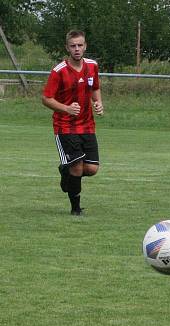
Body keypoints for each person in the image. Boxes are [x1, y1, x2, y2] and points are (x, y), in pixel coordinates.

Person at [42, 29, 104, 216]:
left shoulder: (92, 66)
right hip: (65, 126)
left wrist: (98, 102)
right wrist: (66, 108)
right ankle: (76, 209)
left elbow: (95, 88)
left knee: (92, 169)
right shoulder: (58, 71)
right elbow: (46, 99)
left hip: (87, 125)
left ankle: (66, 171)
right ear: (67, 48)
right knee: (77, 166)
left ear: (85, 46)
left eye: (80, 45)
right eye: (73, 46)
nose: (77, 49)